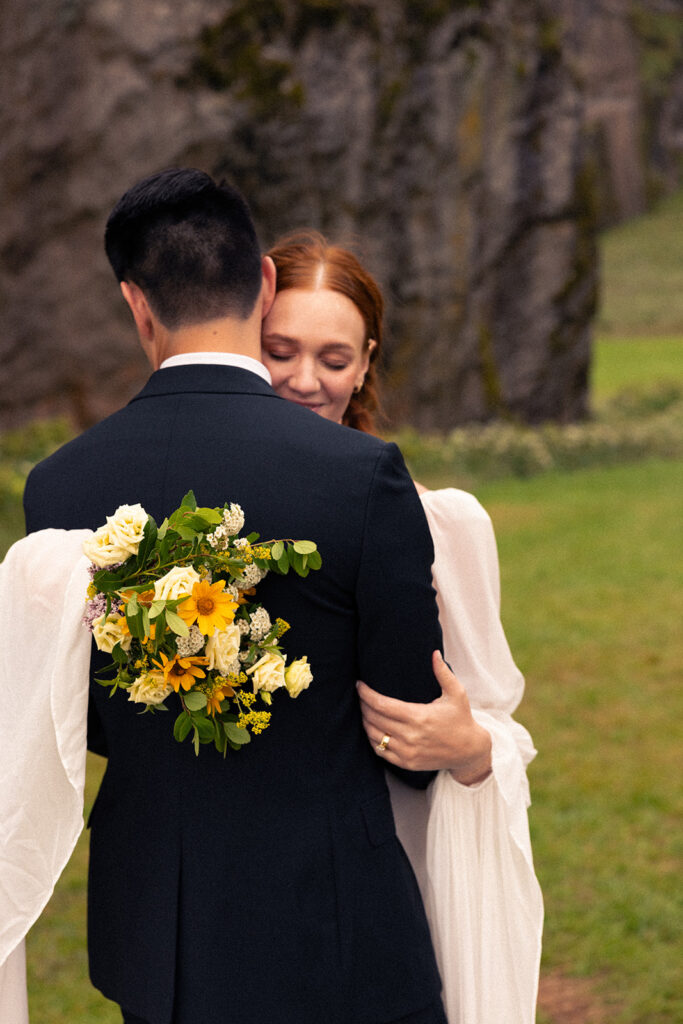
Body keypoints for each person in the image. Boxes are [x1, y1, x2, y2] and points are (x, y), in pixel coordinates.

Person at [15, 170, 453, 1024]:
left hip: (159, 923)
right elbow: (407, 711)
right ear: (261, 281)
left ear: (137, 305)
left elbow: (84, 719)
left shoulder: (59, 489)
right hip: (334, 916)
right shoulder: (362, 475)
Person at [261, 232, 544, 1024]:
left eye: (333, 358)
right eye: (279, 351)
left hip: (397, 875)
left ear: (366, 364)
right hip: (246, 896)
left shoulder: (441, 523)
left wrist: (469, 748)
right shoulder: (197, 520)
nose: (304, 381)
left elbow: (496, 720)